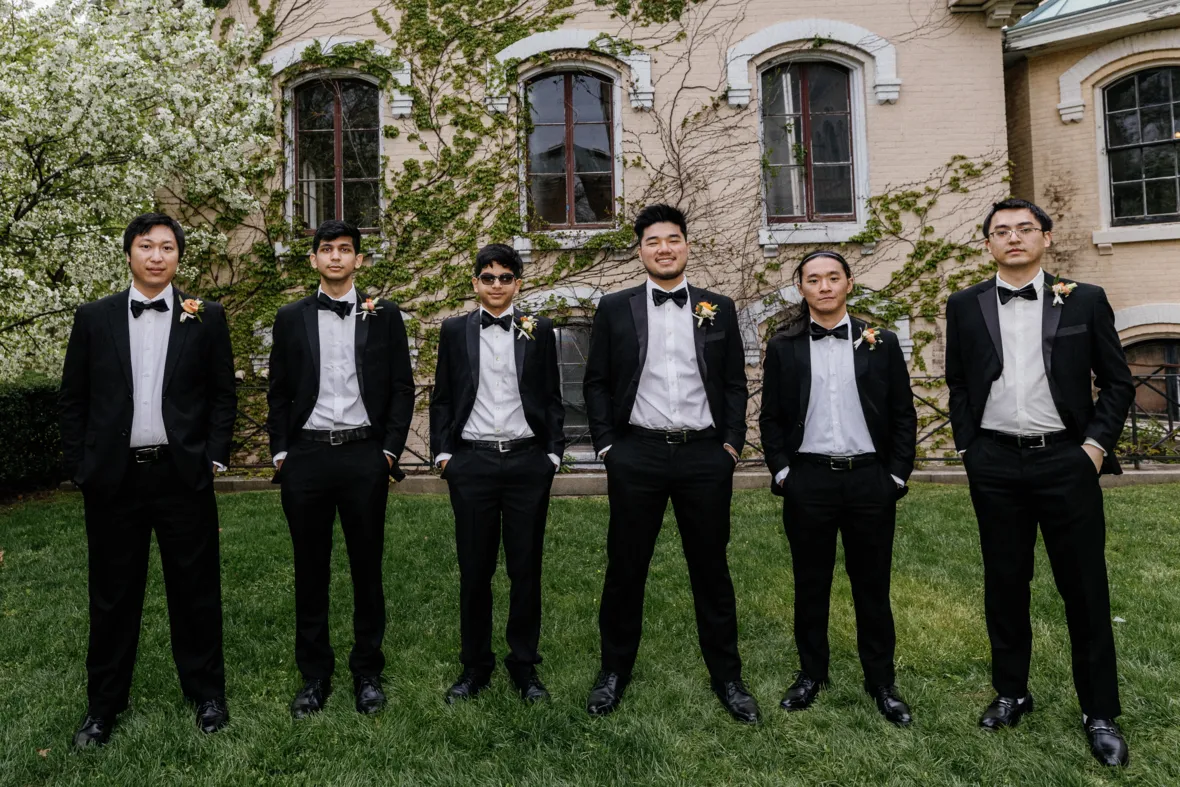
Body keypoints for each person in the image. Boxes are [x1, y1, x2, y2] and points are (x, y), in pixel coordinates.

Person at [946, 198, 1134, 766]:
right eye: (1001, 231)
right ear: (987, 245)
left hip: (1066, 462)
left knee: (1083, 587)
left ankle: (1099, 711)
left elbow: (1118, 383)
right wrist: (968, 447)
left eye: (1025, 228)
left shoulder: (1084, 300)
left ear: (1046, 239)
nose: (1013, 238)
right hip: (995, 464)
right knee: (1005, 584)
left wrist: (1094, 449)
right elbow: (958, 382)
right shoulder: (965, 304)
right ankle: (1011, 693)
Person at [60, 213, 236, 746]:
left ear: (179, 256)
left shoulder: (206, 316)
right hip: (114, 481)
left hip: (183, 476)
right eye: (146, 246)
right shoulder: (94, 317)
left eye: (167, 247)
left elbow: (223, 396)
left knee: (196, 591)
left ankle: (206, 693)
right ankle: (103, 706)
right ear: (130, 253)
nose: (157, 256)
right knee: (112, 596)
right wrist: (81, 468)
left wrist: (212, 459)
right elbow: (74, 400)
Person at [581, 204, 760, 723]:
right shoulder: (615, 308)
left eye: (673, 239)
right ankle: (613, 672)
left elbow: (732, 382)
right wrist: (609, 447)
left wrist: (730, 444)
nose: (664, 248)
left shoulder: (718, 307)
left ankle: (728, 677)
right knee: (626, 569)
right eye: (654, 240)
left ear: (686, 245)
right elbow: (596, 382)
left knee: (711, 569)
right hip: (637, 453)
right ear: (640, 250)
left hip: (705, 455)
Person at [759, 250, 917, 726]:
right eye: (813, 279)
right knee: (811, 583)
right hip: (808, 479)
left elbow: (902, 413)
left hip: (870, 478)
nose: (824, 286)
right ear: (801, 288)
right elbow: (770, 417)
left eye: (833, 278)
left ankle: (881, 681)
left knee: (873, 585)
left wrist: (896, 474)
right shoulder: (784, 344)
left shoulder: (880, 342)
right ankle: (811, 673)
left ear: (849, 283)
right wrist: (783, 471)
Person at [266, 220, 414, 719]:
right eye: (326, 249)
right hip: (305, 456)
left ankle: (367, 671)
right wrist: (281, 453)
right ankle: (314, 676)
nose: (335, 257)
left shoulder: (385, 315)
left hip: (362, 456)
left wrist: (389, 451)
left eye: (345, 250)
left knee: (366, 567)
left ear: (359, 261)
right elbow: (279, 390)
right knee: (310, 570)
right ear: (313, 260)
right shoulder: (290, 317)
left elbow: (401, 386)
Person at [429, 244, 565, 704]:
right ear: (475, 283)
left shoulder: (539, 330)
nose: (496, 286)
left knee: (526, 569)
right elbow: (443, 396)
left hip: (528, 462)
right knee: (475, 570)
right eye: (488, 278)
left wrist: (552, 455)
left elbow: (551, 395)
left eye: (505, 278)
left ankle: (524, 665)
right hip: (473, 463)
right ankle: (475, 666)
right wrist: (445, 455)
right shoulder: (453, 331)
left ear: (518, 283)